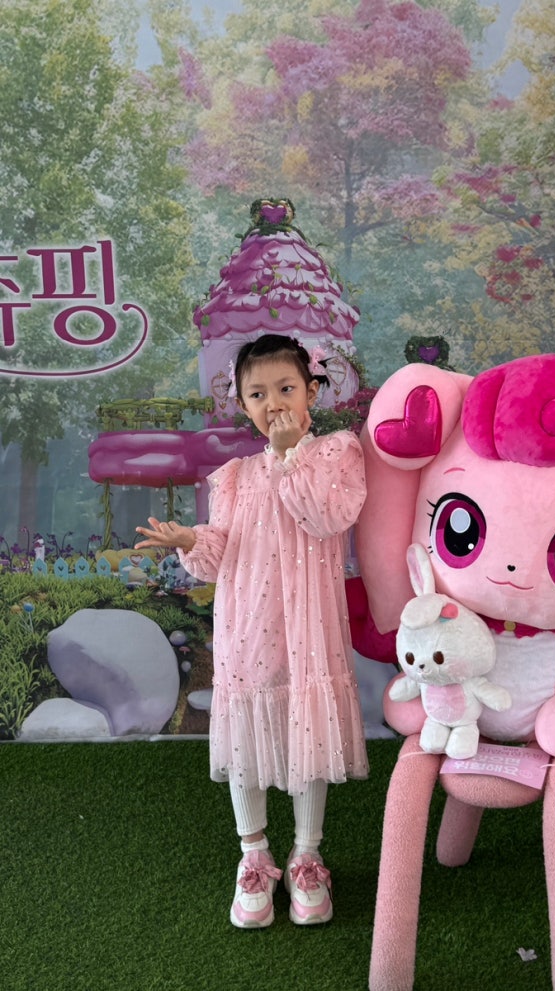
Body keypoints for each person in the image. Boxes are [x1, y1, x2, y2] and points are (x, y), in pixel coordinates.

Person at [135, 334, 368, 929]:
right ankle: (254, 856)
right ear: (243, 405)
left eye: (286, 388)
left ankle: (307, 857)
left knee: (308, 738)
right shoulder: (234, 476)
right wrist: (190, 540)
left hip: (310, 629)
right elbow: (219, 558)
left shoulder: (338, 453)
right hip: (248, 629)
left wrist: (290, 457)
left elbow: (327, 518)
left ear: (311, 391)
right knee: (247, 742)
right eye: (258, 394)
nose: (274, 403)